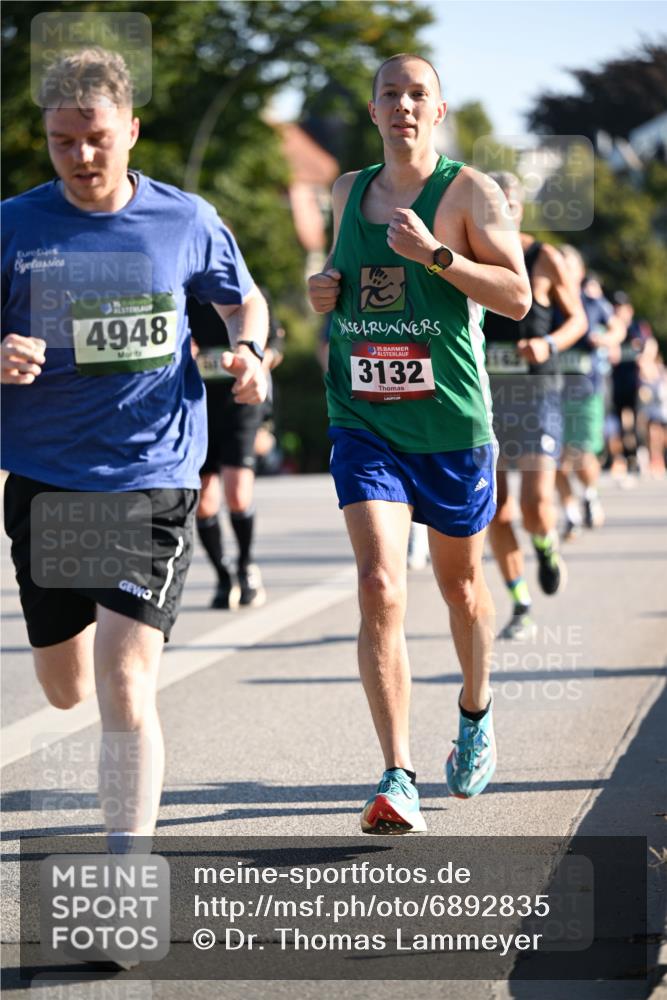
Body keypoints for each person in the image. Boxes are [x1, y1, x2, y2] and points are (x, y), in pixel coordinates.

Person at [1, 48, 268, 856]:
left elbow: (241, 297)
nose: (82, 157)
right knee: (65, 687)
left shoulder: (183, 219)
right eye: (62, 142)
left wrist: (249, 348)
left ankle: (126, 869)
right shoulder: (13, 225)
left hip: (151, 478)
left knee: (124, 679)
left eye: (98, 139)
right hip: (46, 481)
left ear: (131, 131)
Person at [308, 53, 532, 833]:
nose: (402, 106)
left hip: (448, 426)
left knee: (461, 590)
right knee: (377, 584)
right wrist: (319, 293)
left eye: (417, 95)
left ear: (438, 111)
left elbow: (515, 295)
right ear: (372, 112)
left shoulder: (469, 191)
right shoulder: (345, 191)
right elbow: (336, 282)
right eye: (389, 95)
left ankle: (474, 711)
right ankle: (396, 774)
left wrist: (438, 255)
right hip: (363, 418)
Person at [483, 173, 587, 642]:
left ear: (520, 209)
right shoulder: (470, 257)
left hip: (537, 395)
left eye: (509, 205)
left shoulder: (542, 258)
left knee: (534, 505)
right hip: (487, 400)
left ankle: (545, 547)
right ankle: (520, 600)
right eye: (492, 205)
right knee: (496, 511)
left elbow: (578, 320)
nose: (501, 214)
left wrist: (547, 343)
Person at [188, 295, 284, 609]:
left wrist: (254, 362)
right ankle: (222, 575)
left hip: (241, 409)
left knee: (238, 494)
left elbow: (274, 348)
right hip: (197, 409)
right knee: (204, 502)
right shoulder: (183, 294)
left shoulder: (247, 293)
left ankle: (245, 566)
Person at [555, 249, 626, 539]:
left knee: (583, 453)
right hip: (551, 393)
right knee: (555, 457)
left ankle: (588, 494)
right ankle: (570, 513)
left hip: (587, 392)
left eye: (568, 266)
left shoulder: (593, 303)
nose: (562, 271)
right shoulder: (545, 302)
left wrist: (607, 339)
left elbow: (618, 326)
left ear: (580, 272)